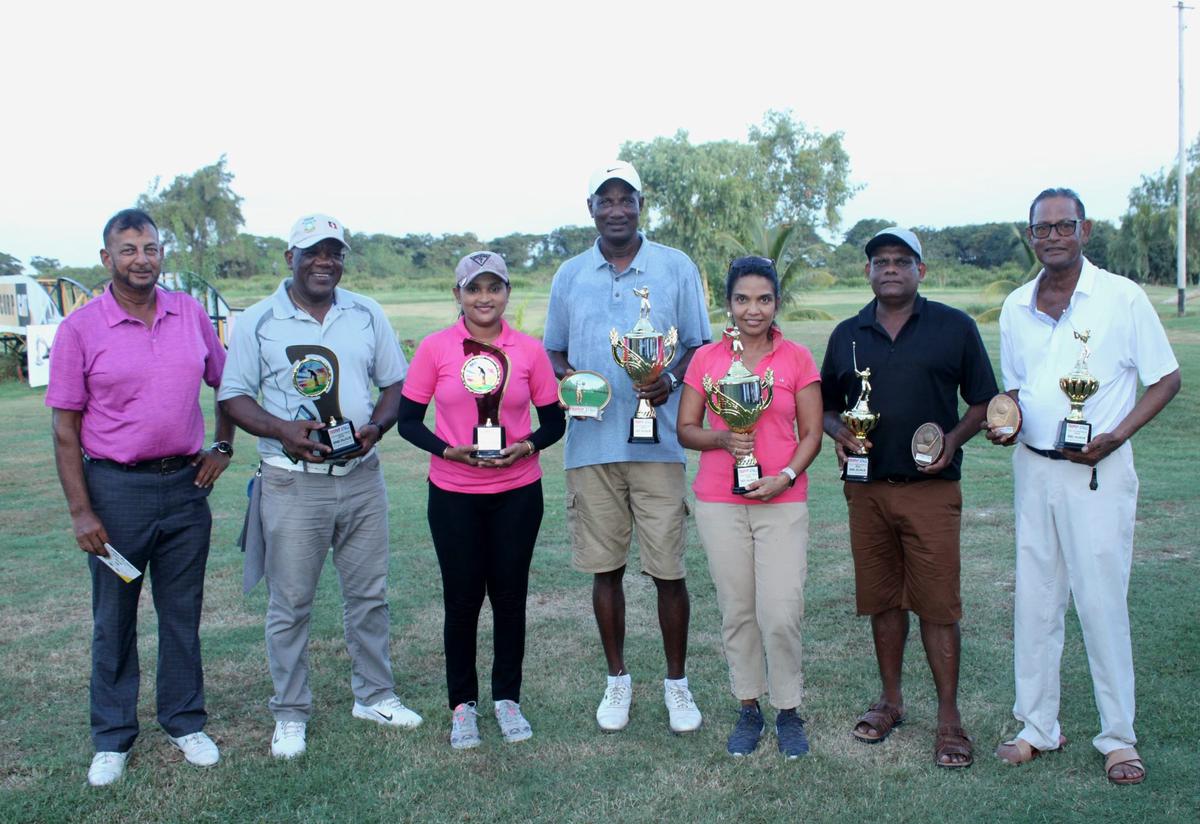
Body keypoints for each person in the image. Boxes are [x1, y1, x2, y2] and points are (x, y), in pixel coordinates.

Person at [986, 188, 1180, 785]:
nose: (1051, 236)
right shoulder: (1017, 305)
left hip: (1098, 471)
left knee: (1100, 602)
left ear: (1084, 230)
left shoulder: (1120, 298)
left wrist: (1117, 435)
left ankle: (1118, 737)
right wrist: (1004, 420)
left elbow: (1165, 380)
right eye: (1040, 229)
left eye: (1062, 226)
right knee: (1036, 600)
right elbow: (1018, 389)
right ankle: (1036, 726)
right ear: (1029, 236)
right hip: (1033, 468)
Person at [219, 213, 421, 759]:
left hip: (360, 478)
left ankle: (375, 695)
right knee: (290, 603)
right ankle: (289, 712)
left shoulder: (365, 312)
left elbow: (396, 384)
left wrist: (377, 428)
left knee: (369, 596)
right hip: (291, 483)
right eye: (313, 251)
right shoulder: (259, 320)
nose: (324, 261)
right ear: (290, 257)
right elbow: (233, 397)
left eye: (334, 252)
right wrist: (282, 430)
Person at [47, 208, 233, 786]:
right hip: (115, 491)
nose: (141, 259)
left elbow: (229, 384)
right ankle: (112, 736)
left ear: (162, 255)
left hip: (185, 488)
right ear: (107, 259)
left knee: (181, 613)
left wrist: (222, 447)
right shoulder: (81, 329)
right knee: (115, 616)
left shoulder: (190, 314)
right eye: (127, 249)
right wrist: (82, 510)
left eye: (150, 248)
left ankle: (183, 721)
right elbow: (63, 428)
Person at [820, 227, 997, 768]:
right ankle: (890, 701)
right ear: (868, 272)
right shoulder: (848, 334)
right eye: (880, 261)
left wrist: (953, 440)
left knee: (938, 606)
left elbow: (983, 401)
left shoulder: (953, 327)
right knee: (882, 600)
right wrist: (839, 433)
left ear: (921, 270)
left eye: (901, 260)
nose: (890, 269)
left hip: (930, 491)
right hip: (867, 491)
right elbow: (826, 405)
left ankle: (949, 720)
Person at [543, 161, 711, 733]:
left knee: (668, 570)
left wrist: (672, 380)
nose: (616, 209)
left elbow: (697, 345)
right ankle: (617, 681)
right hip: (591, 445)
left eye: (627, 199)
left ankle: (677, 684)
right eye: (605, 200)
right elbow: (555, 352)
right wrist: (573, 384)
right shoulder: (570, 274)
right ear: (590, 207)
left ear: (641, 205)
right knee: (604, 569)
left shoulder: (674, 267)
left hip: (658, 445)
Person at [396, 251, 565, 749]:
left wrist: (526, 445)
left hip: (517, 493)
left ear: (507, 293)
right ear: (458, 296)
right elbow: (408, 421)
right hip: (454, 495)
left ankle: (507, 698)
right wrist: (448, 450)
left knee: (510, 598)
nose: (484, 298)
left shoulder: (528, 351)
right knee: (462, 600)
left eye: (494, 288)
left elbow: (554, 420)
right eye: (474, 289)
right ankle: (462, 705)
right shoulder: (435, 348)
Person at [676, 257, 822, 758]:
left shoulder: (797, 358)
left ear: (776, 302)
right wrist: (722, 438)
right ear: (729, 302)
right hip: (720, 500)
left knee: (780, 611)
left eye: (763, 299)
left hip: (782, 499)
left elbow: (813, 434)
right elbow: (686, 429)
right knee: (738, 610)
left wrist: (784, 475)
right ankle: (748, 707)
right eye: (742, 299)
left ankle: (788, 709)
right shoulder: (707, 359)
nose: (753, 309)